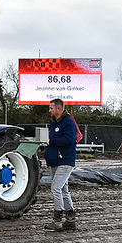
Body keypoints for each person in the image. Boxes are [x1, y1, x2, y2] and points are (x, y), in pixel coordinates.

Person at [43, 98, 77, 231]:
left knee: (56, 187)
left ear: (58, 109)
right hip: (56, 161)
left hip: (65, 161)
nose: (49, 110)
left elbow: (69, 139)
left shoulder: (68, 122)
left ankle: (57, 220)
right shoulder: (54, 122)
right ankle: (70, 219)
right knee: (63, 189)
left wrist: (52, 142)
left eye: (51, 108)